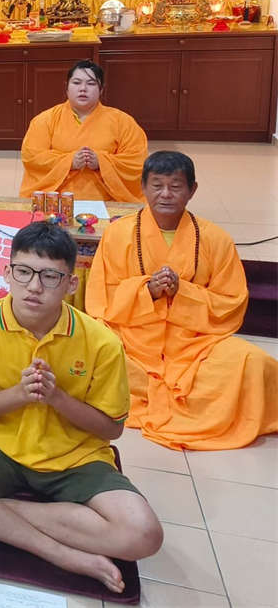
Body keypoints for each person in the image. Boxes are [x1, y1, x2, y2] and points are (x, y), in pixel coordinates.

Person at [0, 222, 162, 594]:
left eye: (50, 276)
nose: (34, 287)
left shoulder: (102, 342)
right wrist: (20, 394)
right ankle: (59, 553)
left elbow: (111, 429)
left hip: (76, 456)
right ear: (7, 273)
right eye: (23, 272)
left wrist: (57, 398)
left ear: (71, 284)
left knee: (144, 534)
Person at [87, 151, 278, 450]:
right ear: (143, 187)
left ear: (192, 190)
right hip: (134, 340)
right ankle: (178, 399)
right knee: (95, 356)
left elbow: (232, 302)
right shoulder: (117, 234)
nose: (165, 194)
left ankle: (172, 400)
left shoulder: (216, 239)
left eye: (175, 186)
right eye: (157, 185)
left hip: (195, 343)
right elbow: (100, 298)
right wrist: (146, 291)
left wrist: (183, 293)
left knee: (255, 363)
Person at [20, 60, 146, 202]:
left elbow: (136, 161)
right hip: (55, 200)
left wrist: (101, 162)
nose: (83, 89)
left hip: (107, 200)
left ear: (101, 89)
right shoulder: (45, 119)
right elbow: (32, 156)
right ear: (67, 88)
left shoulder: (123, 121)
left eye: (91, 84)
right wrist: (70, 162)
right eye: (76, 82)